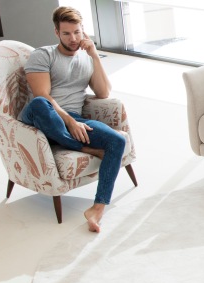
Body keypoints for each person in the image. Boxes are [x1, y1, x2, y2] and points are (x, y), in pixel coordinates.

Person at [19, 6, 125, 233]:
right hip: (41, 116)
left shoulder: (87, 57)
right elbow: (42, 96)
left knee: (117, 141)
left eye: (77, 32)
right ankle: (84, 148)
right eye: (66, 33)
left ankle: (97, 208)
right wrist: (70, 122)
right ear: (56, 32)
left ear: (83, 30)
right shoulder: (43, 55)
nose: (73, 38)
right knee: (40, 104)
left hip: (73, 118)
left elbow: (103, 92)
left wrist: (94, 55)